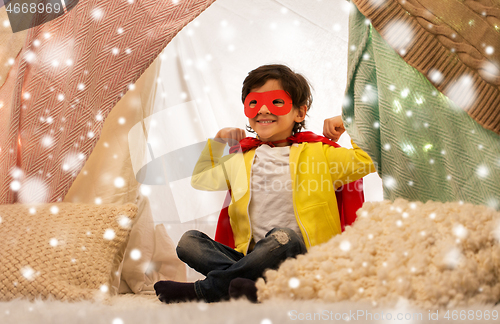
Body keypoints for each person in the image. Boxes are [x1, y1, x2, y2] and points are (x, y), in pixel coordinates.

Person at [154, 64, 376, 303]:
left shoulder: (320, 154)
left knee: (283, 237)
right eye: (254, 102)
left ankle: (203, 291)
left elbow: (368, 159)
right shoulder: (243, 157)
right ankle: (257, 286)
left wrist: (348, 121)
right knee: (189, 243)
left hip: (302, 258)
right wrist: (218, 142)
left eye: (276, 102)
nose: (263, 110)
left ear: (300, 113)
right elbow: (202, 179)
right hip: (252, 257)